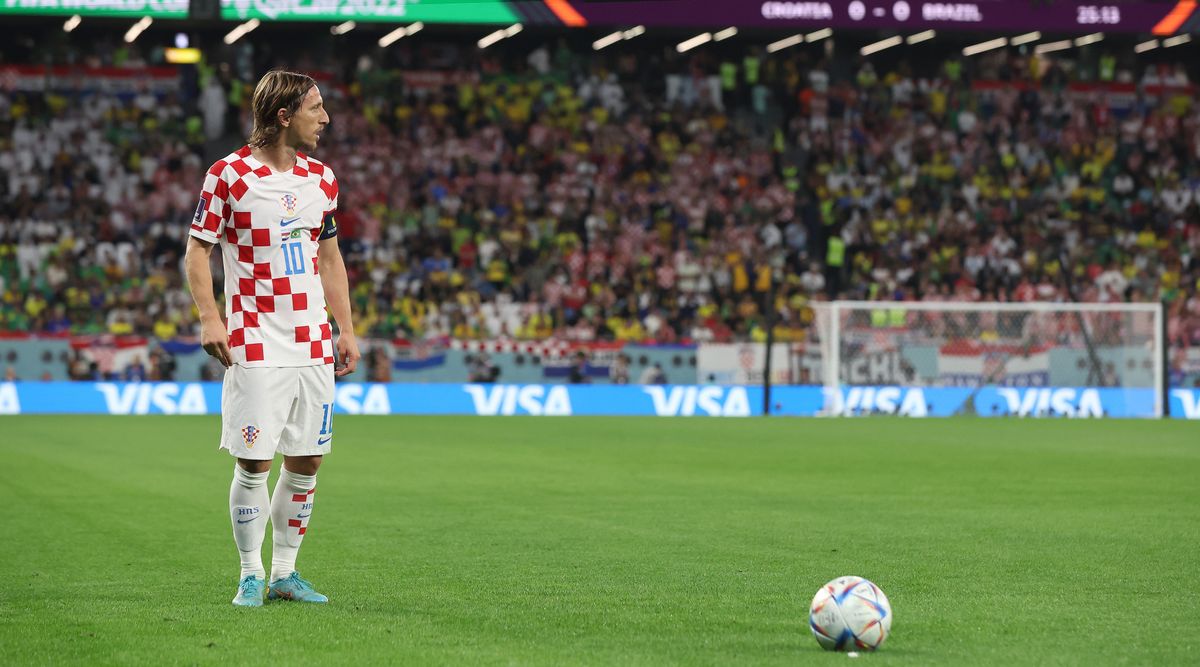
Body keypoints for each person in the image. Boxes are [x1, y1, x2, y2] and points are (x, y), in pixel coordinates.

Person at [183, 70, 360, 608]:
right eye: (316, 109)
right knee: (255, 462)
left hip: (311, 341)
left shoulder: (321, 180)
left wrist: (345, 328)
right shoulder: (228, 176)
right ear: (284, 116)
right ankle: (250, 573)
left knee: (307, 460)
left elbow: (329, 259)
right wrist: (211, 320)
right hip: (254, 339)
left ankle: (286, 572)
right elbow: (198, 251)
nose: (325, 119)